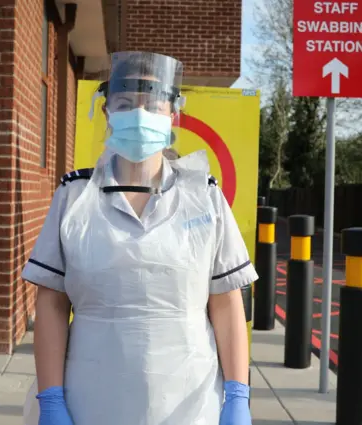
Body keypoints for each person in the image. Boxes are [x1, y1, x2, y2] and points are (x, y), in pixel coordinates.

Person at [21, 51, 257, 425]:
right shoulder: (75, 197)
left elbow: (226, 303)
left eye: (153, 105)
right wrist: (50, 398)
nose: (140, 116)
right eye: (126, 104)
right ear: (107, 113)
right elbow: (50, 303)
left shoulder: (203, 196)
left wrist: (238, 395)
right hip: (92, 395)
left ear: (172, 114)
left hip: (189, 399)